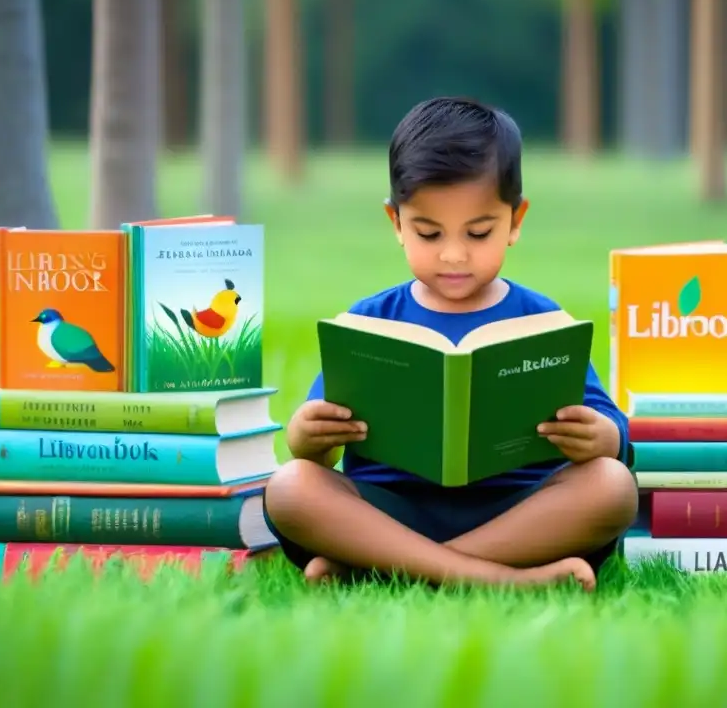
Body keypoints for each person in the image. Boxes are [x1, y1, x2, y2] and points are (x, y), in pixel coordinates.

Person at [263, 96, 638, 592]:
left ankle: (381, 569)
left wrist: (603, 437)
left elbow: (615, 434)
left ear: (515, 220)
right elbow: (317, 449)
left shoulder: (543, 320)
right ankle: (500, 580)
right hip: (391, 510)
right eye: (429, 233)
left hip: (520, 513)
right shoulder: (369, 321)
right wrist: (307, 437)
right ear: (396, 223)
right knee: (290, 487)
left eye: (479, 233)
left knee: (611, 486)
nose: (454, 255)